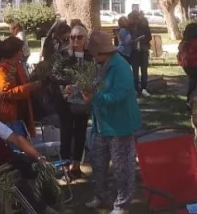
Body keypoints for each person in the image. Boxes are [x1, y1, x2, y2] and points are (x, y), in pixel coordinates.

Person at [83, 30, 141, 213]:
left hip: (120, 126)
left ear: (102, 52)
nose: (92, 57)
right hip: (101, 126)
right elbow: (92, 85)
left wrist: (95, 98)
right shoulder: (99, 64)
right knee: (97, 163)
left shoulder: (121, 67)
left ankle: (122, 205)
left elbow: (118, 96)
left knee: (122, 168)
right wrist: (77, 88)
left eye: (94, 53)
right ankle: (101, 196)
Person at [56, 25, 93, 179]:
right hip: (66, 101)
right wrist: (65, 85)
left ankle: (76, 166)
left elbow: (95, 74)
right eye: (72, 37)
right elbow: (55, 74)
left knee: (80, 132)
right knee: (66, 133)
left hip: (83, 100)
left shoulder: (90, 56)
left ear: (86, 39)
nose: (75, 40)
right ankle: (65, 167)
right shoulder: (64, 55)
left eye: (79, 37)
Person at [0, 36, 38, 136]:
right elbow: (4, 93)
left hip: (21, 115)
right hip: (10, 117)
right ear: (14, 52)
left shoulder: (17, 65)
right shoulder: (1, 70)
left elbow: (25, 82)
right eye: (20, 50)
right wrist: (28, 88)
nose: (22, 52)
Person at [128, 11, 152, 96]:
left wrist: (141, 40)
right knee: (135, 71)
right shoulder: (130, 27)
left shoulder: (144, 26)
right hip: (134, 51)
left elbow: (149, 37)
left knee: (144, 70)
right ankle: (136, 88)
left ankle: (143, 88)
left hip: (143, 49)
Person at [177, 23, 197, 103]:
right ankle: (191, 100)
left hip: (186, 66)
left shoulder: (184, 42)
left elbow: (180, 54)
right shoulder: (196, 42)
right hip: (195, 65)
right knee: (196, 82)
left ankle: (189, 100)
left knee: (192, 82)